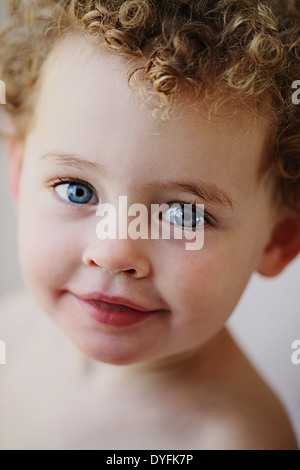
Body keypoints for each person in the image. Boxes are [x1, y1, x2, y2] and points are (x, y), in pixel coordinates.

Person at [0, 0, 299, 450]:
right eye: (77, 189)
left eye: (183, 214)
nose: (114, 251)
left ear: (278, 240)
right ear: (20, 176)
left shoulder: (237, 440)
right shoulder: (9, 332)